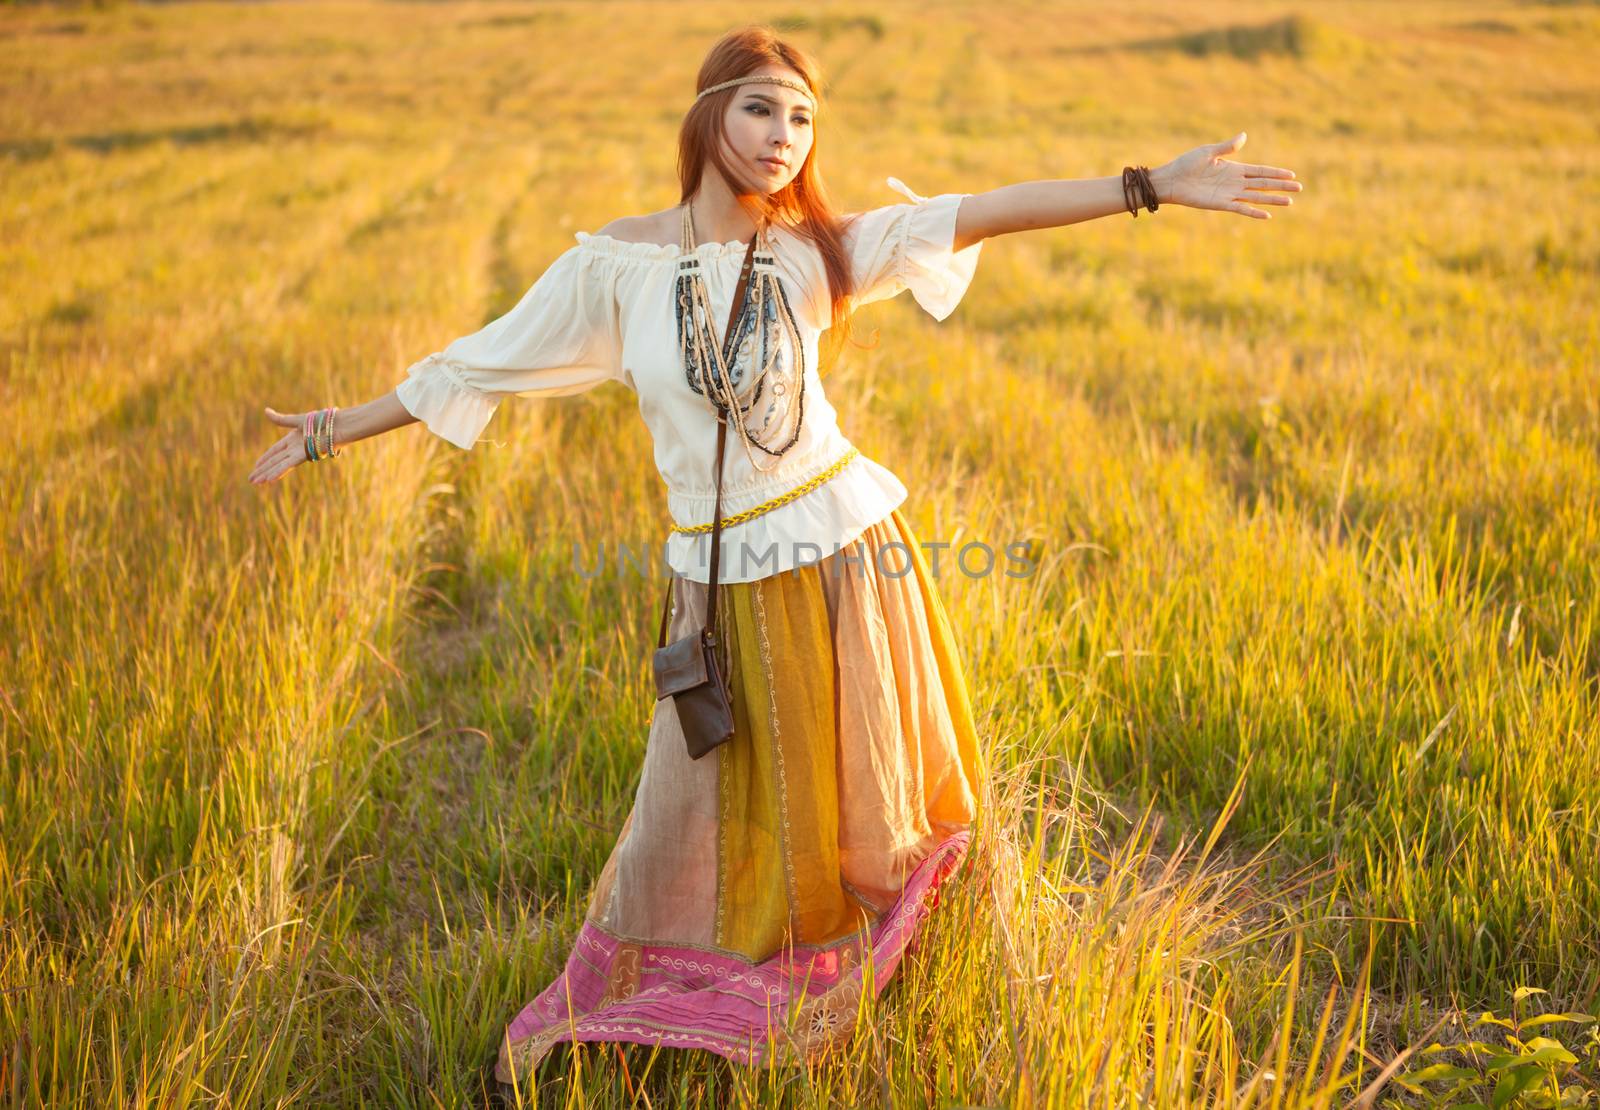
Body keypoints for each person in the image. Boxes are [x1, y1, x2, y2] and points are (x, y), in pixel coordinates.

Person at [247, 23, 1302, 1092]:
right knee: (721, 792)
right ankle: (731, 973)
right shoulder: (614, 264)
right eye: (761, 108)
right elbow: (482, 359)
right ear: (707, 114)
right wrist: (341, 425)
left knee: (861, 787)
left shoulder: (818, 251)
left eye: (802, 119)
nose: (782, 137)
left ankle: (885, 970)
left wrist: (1148, 187)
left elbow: (989, 209)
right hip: (715, 574)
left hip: (844, 550)